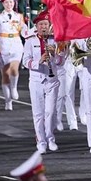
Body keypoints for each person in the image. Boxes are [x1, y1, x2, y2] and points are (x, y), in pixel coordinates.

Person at [22, 11, 63, 153]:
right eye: (41, 25)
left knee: (50, 111)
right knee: (38, 113)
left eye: (46, 24)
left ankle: (50, 138)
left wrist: (54, 55)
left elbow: (61, 61)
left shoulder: (55, 40)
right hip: (36, 80)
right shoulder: (30, 40)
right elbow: (25, 61)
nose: (43, 27)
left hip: (51, 80)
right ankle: (41, 141)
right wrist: (38, 61)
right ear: (36, 26)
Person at [0, 0, 25, 110]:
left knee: (14, 69)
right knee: (5, 74)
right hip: (4, 43)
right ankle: (8, 101)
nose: (9, 4)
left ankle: (14, 87)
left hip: (16, 43)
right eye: (6, 2)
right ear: (3, 4)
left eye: (11, 2)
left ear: (14, 3)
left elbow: (24, 30)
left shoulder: (19, 16)